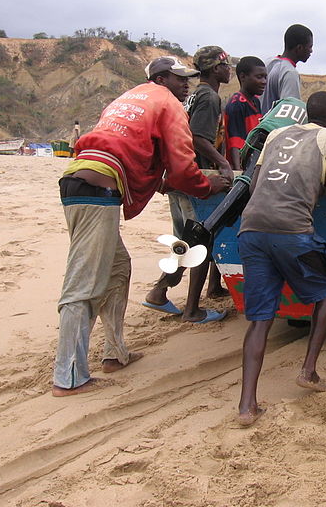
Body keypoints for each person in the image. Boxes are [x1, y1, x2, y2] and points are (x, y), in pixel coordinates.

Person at [52, 56, 229, 397]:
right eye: (180, 79)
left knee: (118, 268)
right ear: (162, 78)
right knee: (84, 282)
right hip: (98, 190)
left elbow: (135, 152)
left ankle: (115, 353)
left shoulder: (130, 97)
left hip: (81, 181)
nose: (186, 84)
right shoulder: (169, 103)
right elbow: (182, 168)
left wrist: (155, 179)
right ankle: (68, 376)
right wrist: (209, 187)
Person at [237, 91, 326, 425]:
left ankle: (247, 406)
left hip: (250, 230)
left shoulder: (278, 134)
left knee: (260, 319)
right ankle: (308, 371)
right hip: (292, 232)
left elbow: (256, 186)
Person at [143, 46, 234, 323]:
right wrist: (223, 162)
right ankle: (189, 308)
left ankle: (161, 292)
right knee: (200, 241)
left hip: (177, 176)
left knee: (186, 238)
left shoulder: (193, 96)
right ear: (216, 69)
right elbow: (198, 137)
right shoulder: (209, 97)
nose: (229, 69)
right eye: (225, 65)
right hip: (194, 177)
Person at [224, 56, 268, 170]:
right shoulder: (237, 104)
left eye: (265, 77)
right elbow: (235, 142)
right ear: (243, 77)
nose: (264, 82)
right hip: (242, 168)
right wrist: (238, 173)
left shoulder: (255, 101)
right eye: (259, 77)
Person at [260, 24, 313, 114]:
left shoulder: (267, 63)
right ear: (299, 48)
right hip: (274, 127)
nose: (311, 51)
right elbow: (289, 113)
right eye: (310, 47)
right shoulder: (290, 73)